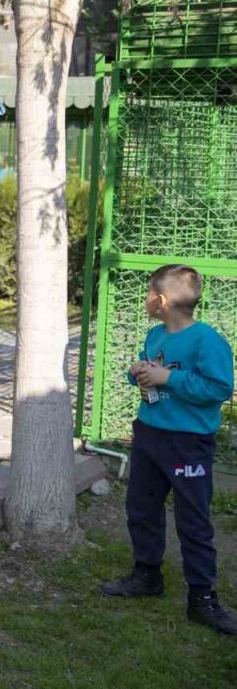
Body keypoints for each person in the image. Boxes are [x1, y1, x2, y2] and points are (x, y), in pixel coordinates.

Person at [100, 265, 237, 636]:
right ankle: (147, 577)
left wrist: (168, 378)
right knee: (141, 508)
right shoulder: (156, 334)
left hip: (188, 443)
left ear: (161, 301)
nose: (145, 298)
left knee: (193, 521)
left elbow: (219, 388)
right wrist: (139, 372)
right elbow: (149, 373)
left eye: (148, 293)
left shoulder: (207, 341)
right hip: (149, 436)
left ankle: (203, 599)